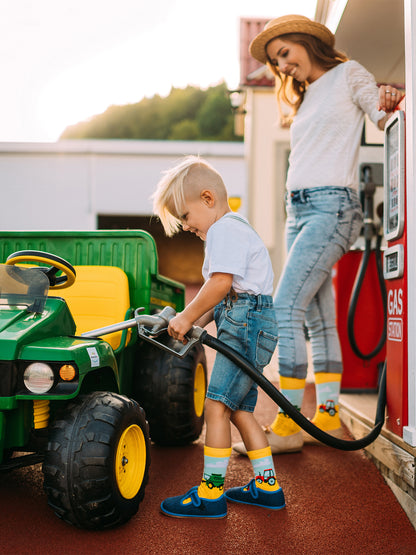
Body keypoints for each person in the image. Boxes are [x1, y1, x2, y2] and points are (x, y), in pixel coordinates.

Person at [233, 14, 403, 456]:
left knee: (285, 304)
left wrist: (390, 99)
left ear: (306, 42)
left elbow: (385, 117)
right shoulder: (306, 97)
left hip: (333, 206)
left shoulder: (349, 74)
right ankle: (326, 413)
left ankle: (289, 419)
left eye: (284, 53)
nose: (283, 66)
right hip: (299, 209)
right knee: (315, 315)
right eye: (276, 62)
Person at [152, 155, 284, 518]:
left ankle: (211, 494)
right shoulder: (234, 230)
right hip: (249, 323)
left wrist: (185, 315)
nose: (186, 226)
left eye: (186, 217)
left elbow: (221, 285)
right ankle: (267, 485)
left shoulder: (225, 230)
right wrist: (195, 326)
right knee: (240, 411)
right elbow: (224, 295)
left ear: (207, 199)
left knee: (215, 406)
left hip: (246, 324)